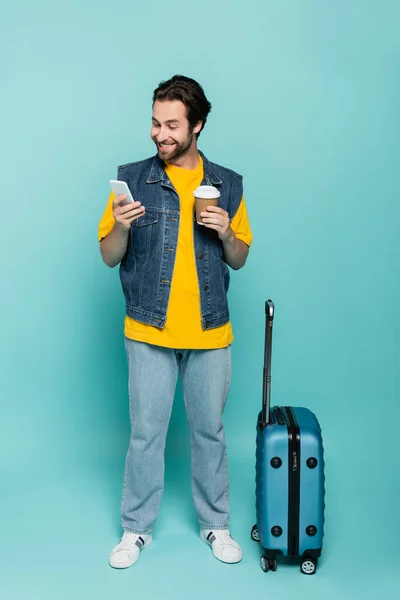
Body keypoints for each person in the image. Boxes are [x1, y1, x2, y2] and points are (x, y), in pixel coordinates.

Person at [98, 75, 252, 569]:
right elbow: (107, 255)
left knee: (210, 432)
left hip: (210, 331)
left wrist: (228, 233)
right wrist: (121, 225)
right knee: (147, 433)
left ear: (197, 126)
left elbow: (240, 258)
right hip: (149, 330)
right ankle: (135, 529)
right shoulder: (132, 179)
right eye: (154, 122)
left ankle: (216, 524)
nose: (158, 134)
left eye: (171, 125)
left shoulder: (227, 184)